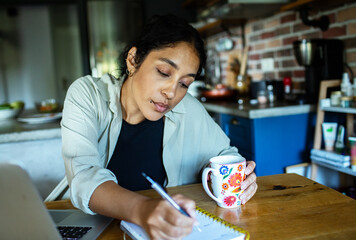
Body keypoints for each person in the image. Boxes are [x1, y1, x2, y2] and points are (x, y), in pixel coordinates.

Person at [60, 14, 257, 239]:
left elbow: (226, 155)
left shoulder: (188, 108)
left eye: (185, 84)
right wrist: (143, 210)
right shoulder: (88, 95)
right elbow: (83, 178)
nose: (171, 93)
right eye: (164, 72)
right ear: (133, 60)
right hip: (96, 227)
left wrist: (242, 177)